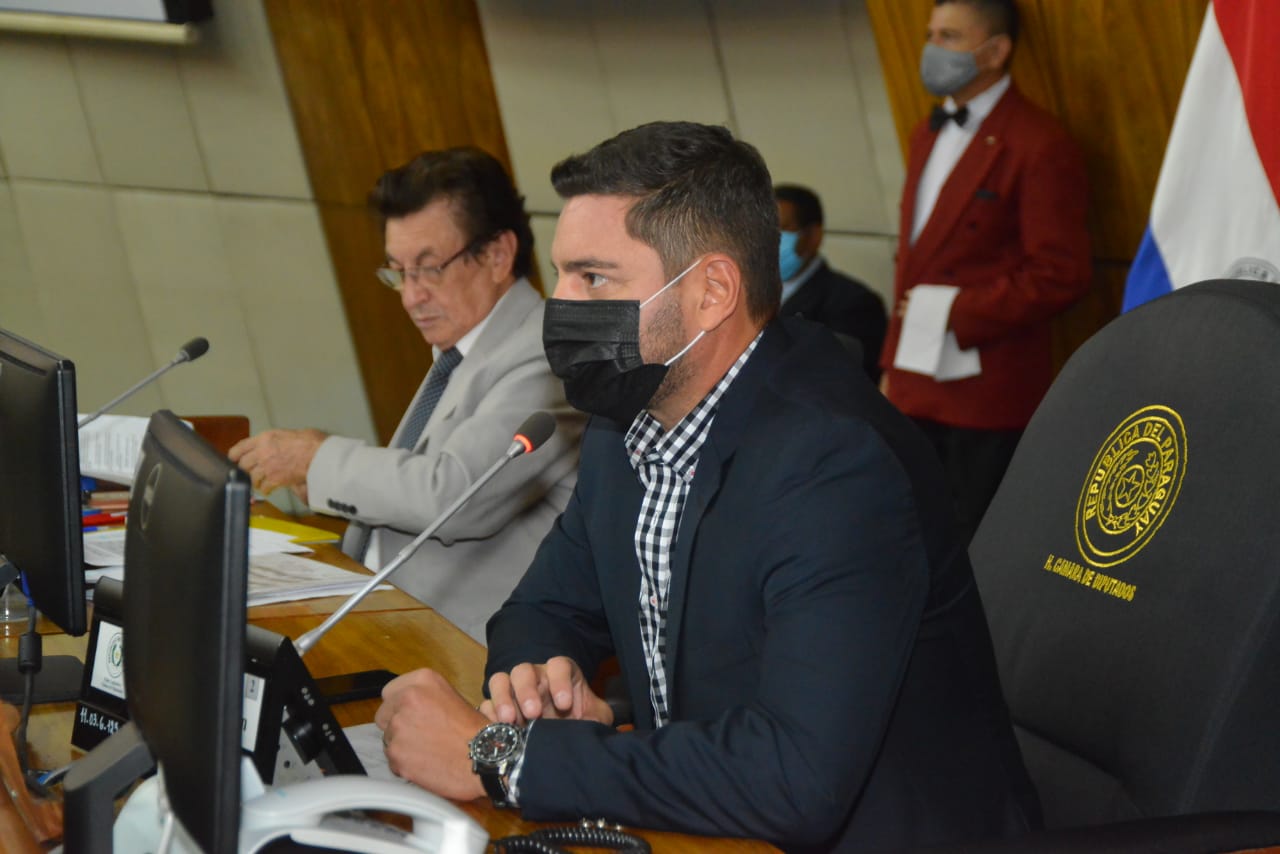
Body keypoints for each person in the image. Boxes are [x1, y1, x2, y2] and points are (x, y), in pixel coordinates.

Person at [374, 121, 1040, 852]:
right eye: (562, 272)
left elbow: (795, 778)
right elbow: (541, 607)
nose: (557, 305)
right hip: (707, 826)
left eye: (593, 277)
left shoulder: (838, 466)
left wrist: (503, 758)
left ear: (713, 291)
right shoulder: (623, 423)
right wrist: (535, 684)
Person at [228, 147, 583, 643]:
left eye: (429, 268)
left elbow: (454, 495)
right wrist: (327, 473)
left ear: (498, 255)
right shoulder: (465, 347)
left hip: (464, 651)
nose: (411, 296)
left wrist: (319, 461)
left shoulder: (548, 354)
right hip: (387, 616)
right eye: (398, 271)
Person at [879, 0, 1091, 544]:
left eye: (948, 36)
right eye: (930, 33)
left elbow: (1060, 273)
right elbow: (916, 262)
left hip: (986, 392)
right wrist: (891, 365)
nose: (931, 49)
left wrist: (955, 311)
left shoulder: (1039, 142)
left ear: (995, 52)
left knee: (977, 548)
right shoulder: (925, 133)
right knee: (910, 535)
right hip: (913, 384)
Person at [775, 183, 887, 382]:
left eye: (782, 230)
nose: (771, 240)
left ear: (814, 236)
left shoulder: (854, 303)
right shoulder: (743, 295)